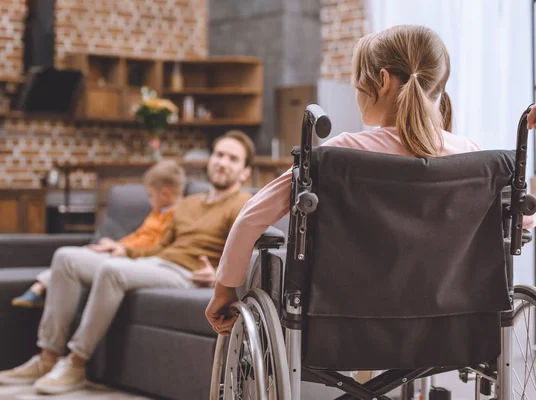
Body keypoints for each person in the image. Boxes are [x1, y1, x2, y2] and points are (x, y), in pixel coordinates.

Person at [205, 25, 536, 367]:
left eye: (356, 83)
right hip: (453, 331)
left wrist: (224, 289)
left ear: (381, 81)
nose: (355, 92)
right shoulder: (474, 158)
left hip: (341, 330)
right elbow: (522, 221)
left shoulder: (339, 156)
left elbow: (251, 217)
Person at [0, 129, 256, 395]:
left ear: (245, 172)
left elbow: (248, 253)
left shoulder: (244, 204)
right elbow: (161, 247)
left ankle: (76, 363)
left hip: (186, 274)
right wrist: (122, 249)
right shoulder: (188, 203)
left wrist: (219, 277)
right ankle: (47, 356)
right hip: (157, 262)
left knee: (112, 271)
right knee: (66, 258)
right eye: (219, 154)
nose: (223, 162)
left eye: (233, 159)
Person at [11, 160, 186, 309]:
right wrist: (118, 243)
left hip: (134, 259)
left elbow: (155, 245)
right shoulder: (157, 213)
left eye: (150, 196)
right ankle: (40, 287)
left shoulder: (178, 215)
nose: (149, 200)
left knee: (77, 258)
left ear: (164, 194)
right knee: (83, 252)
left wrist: (123, 248)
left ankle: (39, 288)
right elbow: (139, 234)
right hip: (124, 250)